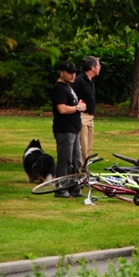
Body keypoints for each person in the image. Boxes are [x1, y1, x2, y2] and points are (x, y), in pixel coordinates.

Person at [52, 61, 86, 198]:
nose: (73, 75)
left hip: (74, 129)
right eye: (70, 73)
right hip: (64, 130)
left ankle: (74, 188)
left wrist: (78, 105)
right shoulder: (59, 88)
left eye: (74, 72)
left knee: (76, 160)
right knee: (65, 160)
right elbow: (62, 109)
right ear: (62, 73)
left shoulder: (68, 87)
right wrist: (78, 108)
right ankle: (60, 189)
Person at [72, 56, 100, 167]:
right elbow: (70, 94)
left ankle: (85, 170)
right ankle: (79, 172)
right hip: (81, 116)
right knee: (82, 147)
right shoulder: (79, 80)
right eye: (98, 65)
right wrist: (76, 106)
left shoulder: (91, 81)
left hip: (90, 116)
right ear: (92, 68)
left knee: (88, 147)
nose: (100, 67)